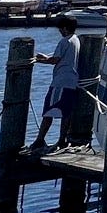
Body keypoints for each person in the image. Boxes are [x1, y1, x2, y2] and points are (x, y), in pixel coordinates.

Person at [31, 15, 84, 149]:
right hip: (72, 82)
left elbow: (55, 60)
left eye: (60, 29)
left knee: (49, 111)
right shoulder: (76, 40)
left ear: (65, 28)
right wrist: (47, 57)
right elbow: (62, 58)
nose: (60, 31)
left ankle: (40, 139)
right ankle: (62, 140)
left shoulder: (64, 41)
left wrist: (39, 60)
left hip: (60, 82)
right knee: (65, 112)